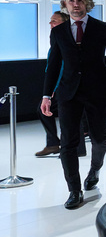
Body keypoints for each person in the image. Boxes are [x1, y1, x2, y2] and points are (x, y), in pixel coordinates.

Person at [41, 0, 106, 210]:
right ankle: (74, 190)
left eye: (79, 1)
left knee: (99, 138)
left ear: (87, 4)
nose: (76, 5)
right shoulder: (58, 32)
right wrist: (47, 95)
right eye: (71, 1)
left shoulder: (101, 28)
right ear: (65, 5)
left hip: (97, 90)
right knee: (68, 142)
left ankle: (95, 169)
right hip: (69, 92)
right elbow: (54, 65)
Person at [36, 12, 85, 158]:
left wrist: (52, 90)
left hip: (67, 85)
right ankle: (55, 144)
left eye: (54, 21)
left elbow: (62, 67)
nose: (51, 24)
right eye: (50, 21)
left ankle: (72, 147)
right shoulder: (57, 38)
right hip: (61, 85)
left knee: (71, 115)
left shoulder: (69, 40)